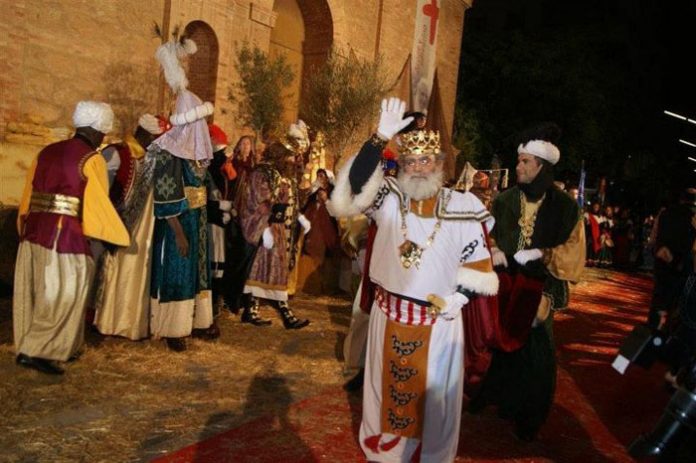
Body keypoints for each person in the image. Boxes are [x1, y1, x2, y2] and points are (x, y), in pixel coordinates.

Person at [329, 98, 499, 462]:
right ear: (401, 166)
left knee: (434, 405)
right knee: (382, 393)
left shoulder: (463, 206)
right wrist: (379, 138)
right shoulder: (388, 197)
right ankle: (387, 452)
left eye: (426, 161)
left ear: (438, 164)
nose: (418, 168)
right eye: (410, 161)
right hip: (388, 316)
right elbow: (355, 187)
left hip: (439, 325)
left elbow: (478, 263)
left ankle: (430, 454)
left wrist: (461, 298)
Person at [468, 122, 585, 441]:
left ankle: (530, 414)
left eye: (524, 162)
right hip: (506, 284)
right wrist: (495, 252)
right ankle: (498, 397)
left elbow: (573, 257)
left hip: (541, 290)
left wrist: (542, 255)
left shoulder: (566, 208)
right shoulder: (505, 201)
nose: (518, 166)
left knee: (536, 354)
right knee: (501, 345)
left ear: (542, 166)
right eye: (518, 160)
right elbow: (490, 238)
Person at [14, 101, 130, 375]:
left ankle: (54, 347)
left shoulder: (46, 151)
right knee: (66, 292)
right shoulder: (91, 160)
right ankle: (36, 350)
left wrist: (23, 225)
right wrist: (113, 235)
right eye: (103, 132)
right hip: (64, 235)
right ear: (96, 130)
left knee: (37, 292)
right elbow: (96, 203)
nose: (103, 138)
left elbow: (28, 194)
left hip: (34, 231)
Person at [148, 36, 216, 351]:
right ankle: (173, 328)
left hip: (197, 220)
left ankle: (197, 321)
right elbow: (165, 194)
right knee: (177, 270)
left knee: (198, 272)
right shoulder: (167, 151)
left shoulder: (198, 153)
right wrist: (177, 232)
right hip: (178, 223)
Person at [93, 114, 169, 340]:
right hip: (119, 224)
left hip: (144, 230)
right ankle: (108, 321)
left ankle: (131, 323)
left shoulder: (152, 159)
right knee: (115, 273)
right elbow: (100, 190)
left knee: (137, 273)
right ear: (145, 134)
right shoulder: (118, 153)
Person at [239, 141, 312, 329]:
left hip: (279, 229)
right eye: (286, 158)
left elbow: (291, 201)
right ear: (278, 158)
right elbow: (258, 200)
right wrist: (266, 224)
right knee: (261, 268)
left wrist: (299, 216)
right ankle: (256, 310)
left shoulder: (281, 175)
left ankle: (281, 312)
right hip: (266, 228)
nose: (289, 162)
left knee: (275, 270)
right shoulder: (262, 173)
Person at [206, 123, 234, 329]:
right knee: (211, 265)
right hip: (209, 226)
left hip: (219, 226)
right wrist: (219, 209)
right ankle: (209, 308)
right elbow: (200, 200)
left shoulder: (220, 172)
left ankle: (216, 304)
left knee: (219, 267)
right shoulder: (207, 172)